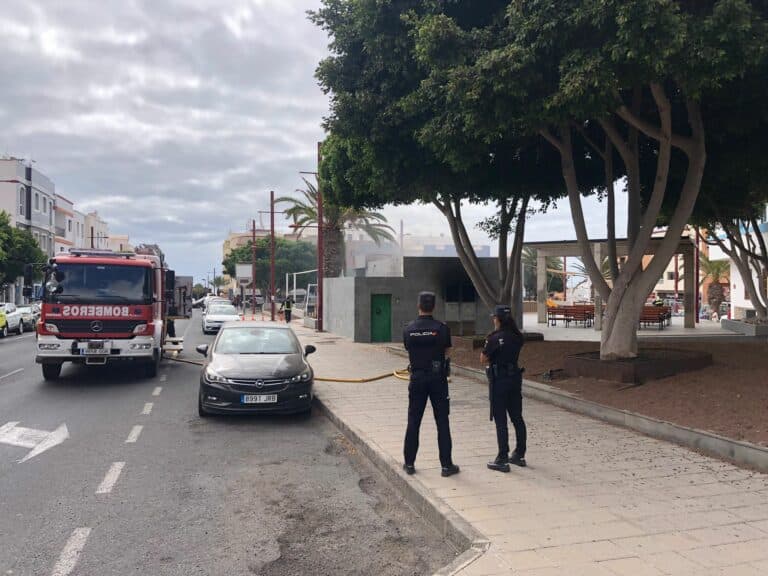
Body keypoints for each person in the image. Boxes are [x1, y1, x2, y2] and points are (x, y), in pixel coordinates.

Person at [402, 291, 459, 478]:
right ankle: (446, 465)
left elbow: (408, 348)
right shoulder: (442, 328)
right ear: (434, 306)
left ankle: (409, 463)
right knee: (442, 421)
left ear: (418, 306)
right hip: (438, 380)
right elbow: (447, 351)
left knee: (414, 421)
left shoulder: (409, 329)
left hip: (417, 378)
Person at [482, 305, 527, 473]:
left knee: (501, 420)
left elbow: (483, 358)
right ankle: (519, 454)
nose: (493, 320)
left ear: (498, 319)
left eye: (494, 317)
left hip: (499, 380)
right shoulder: (517, 336)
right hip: (515, 379)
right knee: (517, 417)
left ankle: (502, 458)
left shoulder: (494, 338)